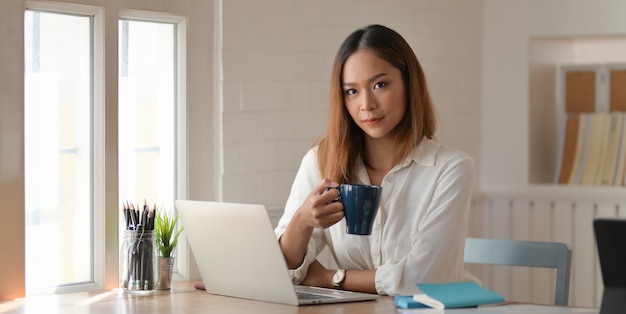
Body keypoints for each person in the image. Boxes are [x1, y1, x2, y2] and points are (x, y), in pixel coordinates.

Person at [274, 24, 476, 296]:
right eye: (352, 91)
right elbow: (283, 269)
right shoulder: (321, 162)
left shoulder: (451, 169)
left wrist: (330, 277)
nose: (366, 104)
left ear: (408, 84)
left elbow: (423, 280)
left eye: (379, 85)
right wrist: (302, 222)